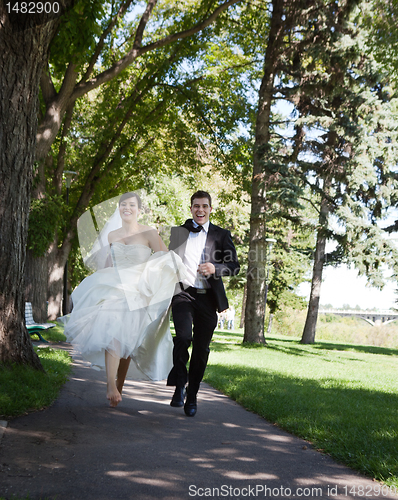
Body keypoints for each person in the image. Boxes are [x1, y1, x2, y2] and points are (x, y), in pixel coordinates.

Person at [62, 192, 187, 407]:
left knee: (127, 341)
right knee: (114, 333)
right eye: (123, 205)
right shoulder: (112, 235)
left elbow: (165, 260)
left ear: (139, 209)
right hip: (116, 288)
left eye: (131, 205)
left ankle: (119, 386)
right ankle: (110, 385)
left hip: (140, 291)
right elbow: (110, 263)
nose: (126, 208)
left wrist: (153, 284)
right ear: (118, 209)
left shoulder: (149, 232)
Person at [167, 190, 240, 416]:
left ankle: (193, 394)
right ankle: (179, 383)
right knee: (183, 337)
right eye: (196, 206)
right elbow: (169, 262)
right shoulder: (179, 233)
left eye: (204, 206)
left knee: (201, 350)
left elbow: (235, 266)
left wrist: (215, 268)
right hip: (183, 294)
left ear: (210, 209)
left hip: (208, 298)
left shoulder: (221, 235)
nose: (200, 210)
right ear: (191, 208)